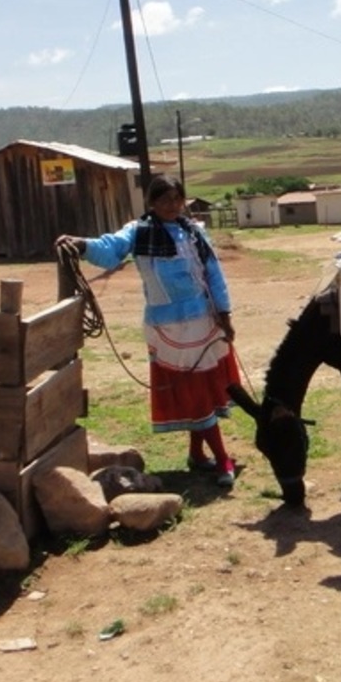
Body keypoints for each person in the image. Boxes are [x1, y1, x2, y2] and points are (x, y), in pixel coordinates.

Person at [55, 174, 240, 487]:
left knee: (202, 390)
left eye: (177, 199)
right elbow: (110, 249)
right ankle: (221, 458)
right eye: (165, 199)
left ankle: (199, 455)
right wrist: (82, 245)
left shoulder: (193, 232)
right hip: (168, 326)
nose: (172, 205)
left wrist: (224, 314)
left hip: (203, 320)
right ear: (152, 203)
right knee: (192, 390)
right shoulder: (138, 232)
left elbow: (214, 274)